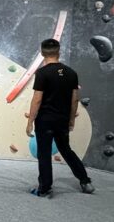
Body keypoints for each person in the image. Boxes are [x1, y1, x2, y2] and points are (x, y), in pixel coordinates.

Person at [25, 38, 94, 198]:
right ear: (59, 52)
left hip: (45, 121)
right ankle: (85, 181)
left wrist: (30, 122)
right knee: (66, 150)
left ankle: (44, 188)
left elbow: (37, 99)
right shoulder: (71, 73)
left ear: (42, 53)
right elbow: (74, 99)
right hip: (62, 120)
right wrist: (71, 120)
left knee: (44, 153)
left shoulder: (42, 73)